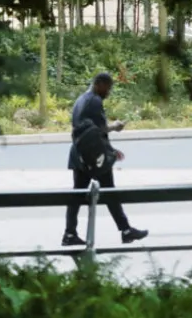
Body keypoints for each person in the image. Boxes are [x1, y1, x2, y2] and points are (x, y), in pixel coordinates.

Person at [61, 72, 150, 246]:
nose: (109, 92)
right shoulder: (94, 101)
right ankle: (126, 231)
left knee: (77, 195)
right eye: (108, 88)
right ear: (99, 84)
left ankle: (69, 234)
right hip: (94, 158)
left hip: (79, 154)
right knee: (109, 192)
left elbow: (86, 131)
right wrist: (115, 127)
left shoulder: (81, 99)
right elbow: (99, 129)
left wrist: (111, 150)